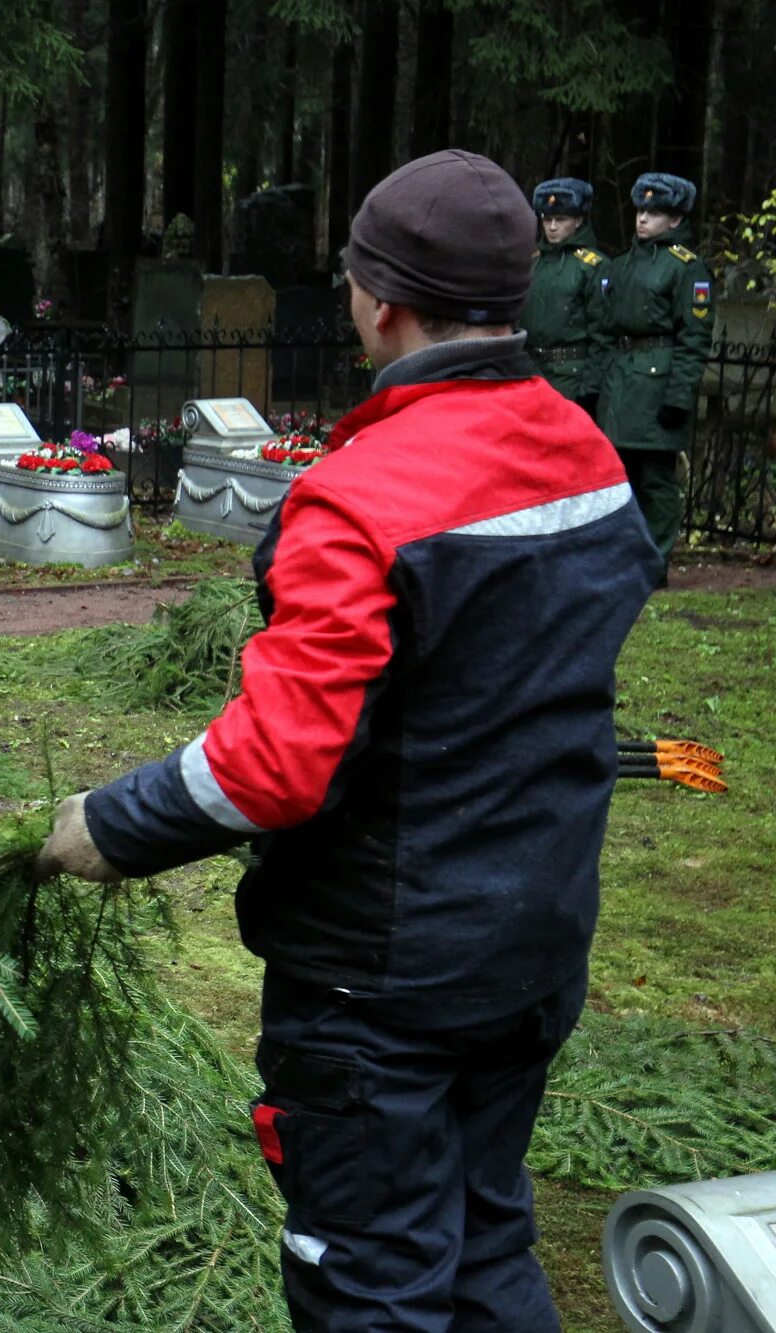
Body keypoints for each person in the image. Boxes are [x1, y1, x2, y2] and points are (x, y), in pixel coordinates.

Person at [35, 151, 658, 1333]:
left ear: (377, 301)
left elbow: (275, 759)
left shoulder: (358, 497)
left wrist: (107, 826)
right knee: (481, 1237)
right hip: (533, 933)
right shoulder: (582, 451)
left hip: (380, 972)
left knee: (368, 1275)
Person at [596, 171, 714, 563]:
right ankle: (625, 554)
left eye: (655, 211)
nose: (643, 218)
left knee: (656, 477)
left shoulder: (687, 268)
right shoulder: (621, 264)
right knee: (619, 475)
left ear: (676, 220)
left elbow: (693, 338)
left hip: (656, 382)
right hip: (621, 379)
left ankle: (656, 557)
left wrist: (679, 395)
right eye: (640, 209)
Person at [519, 177, 610, 405]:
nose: (552, 227)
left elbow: (603, 334)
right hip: (530, 372)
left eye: (560, 219)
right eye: (547, 219)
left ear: (578, 220)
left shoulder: (593, 266)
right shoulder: (532, 263)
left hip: (571, 376)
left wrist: (590, 387)